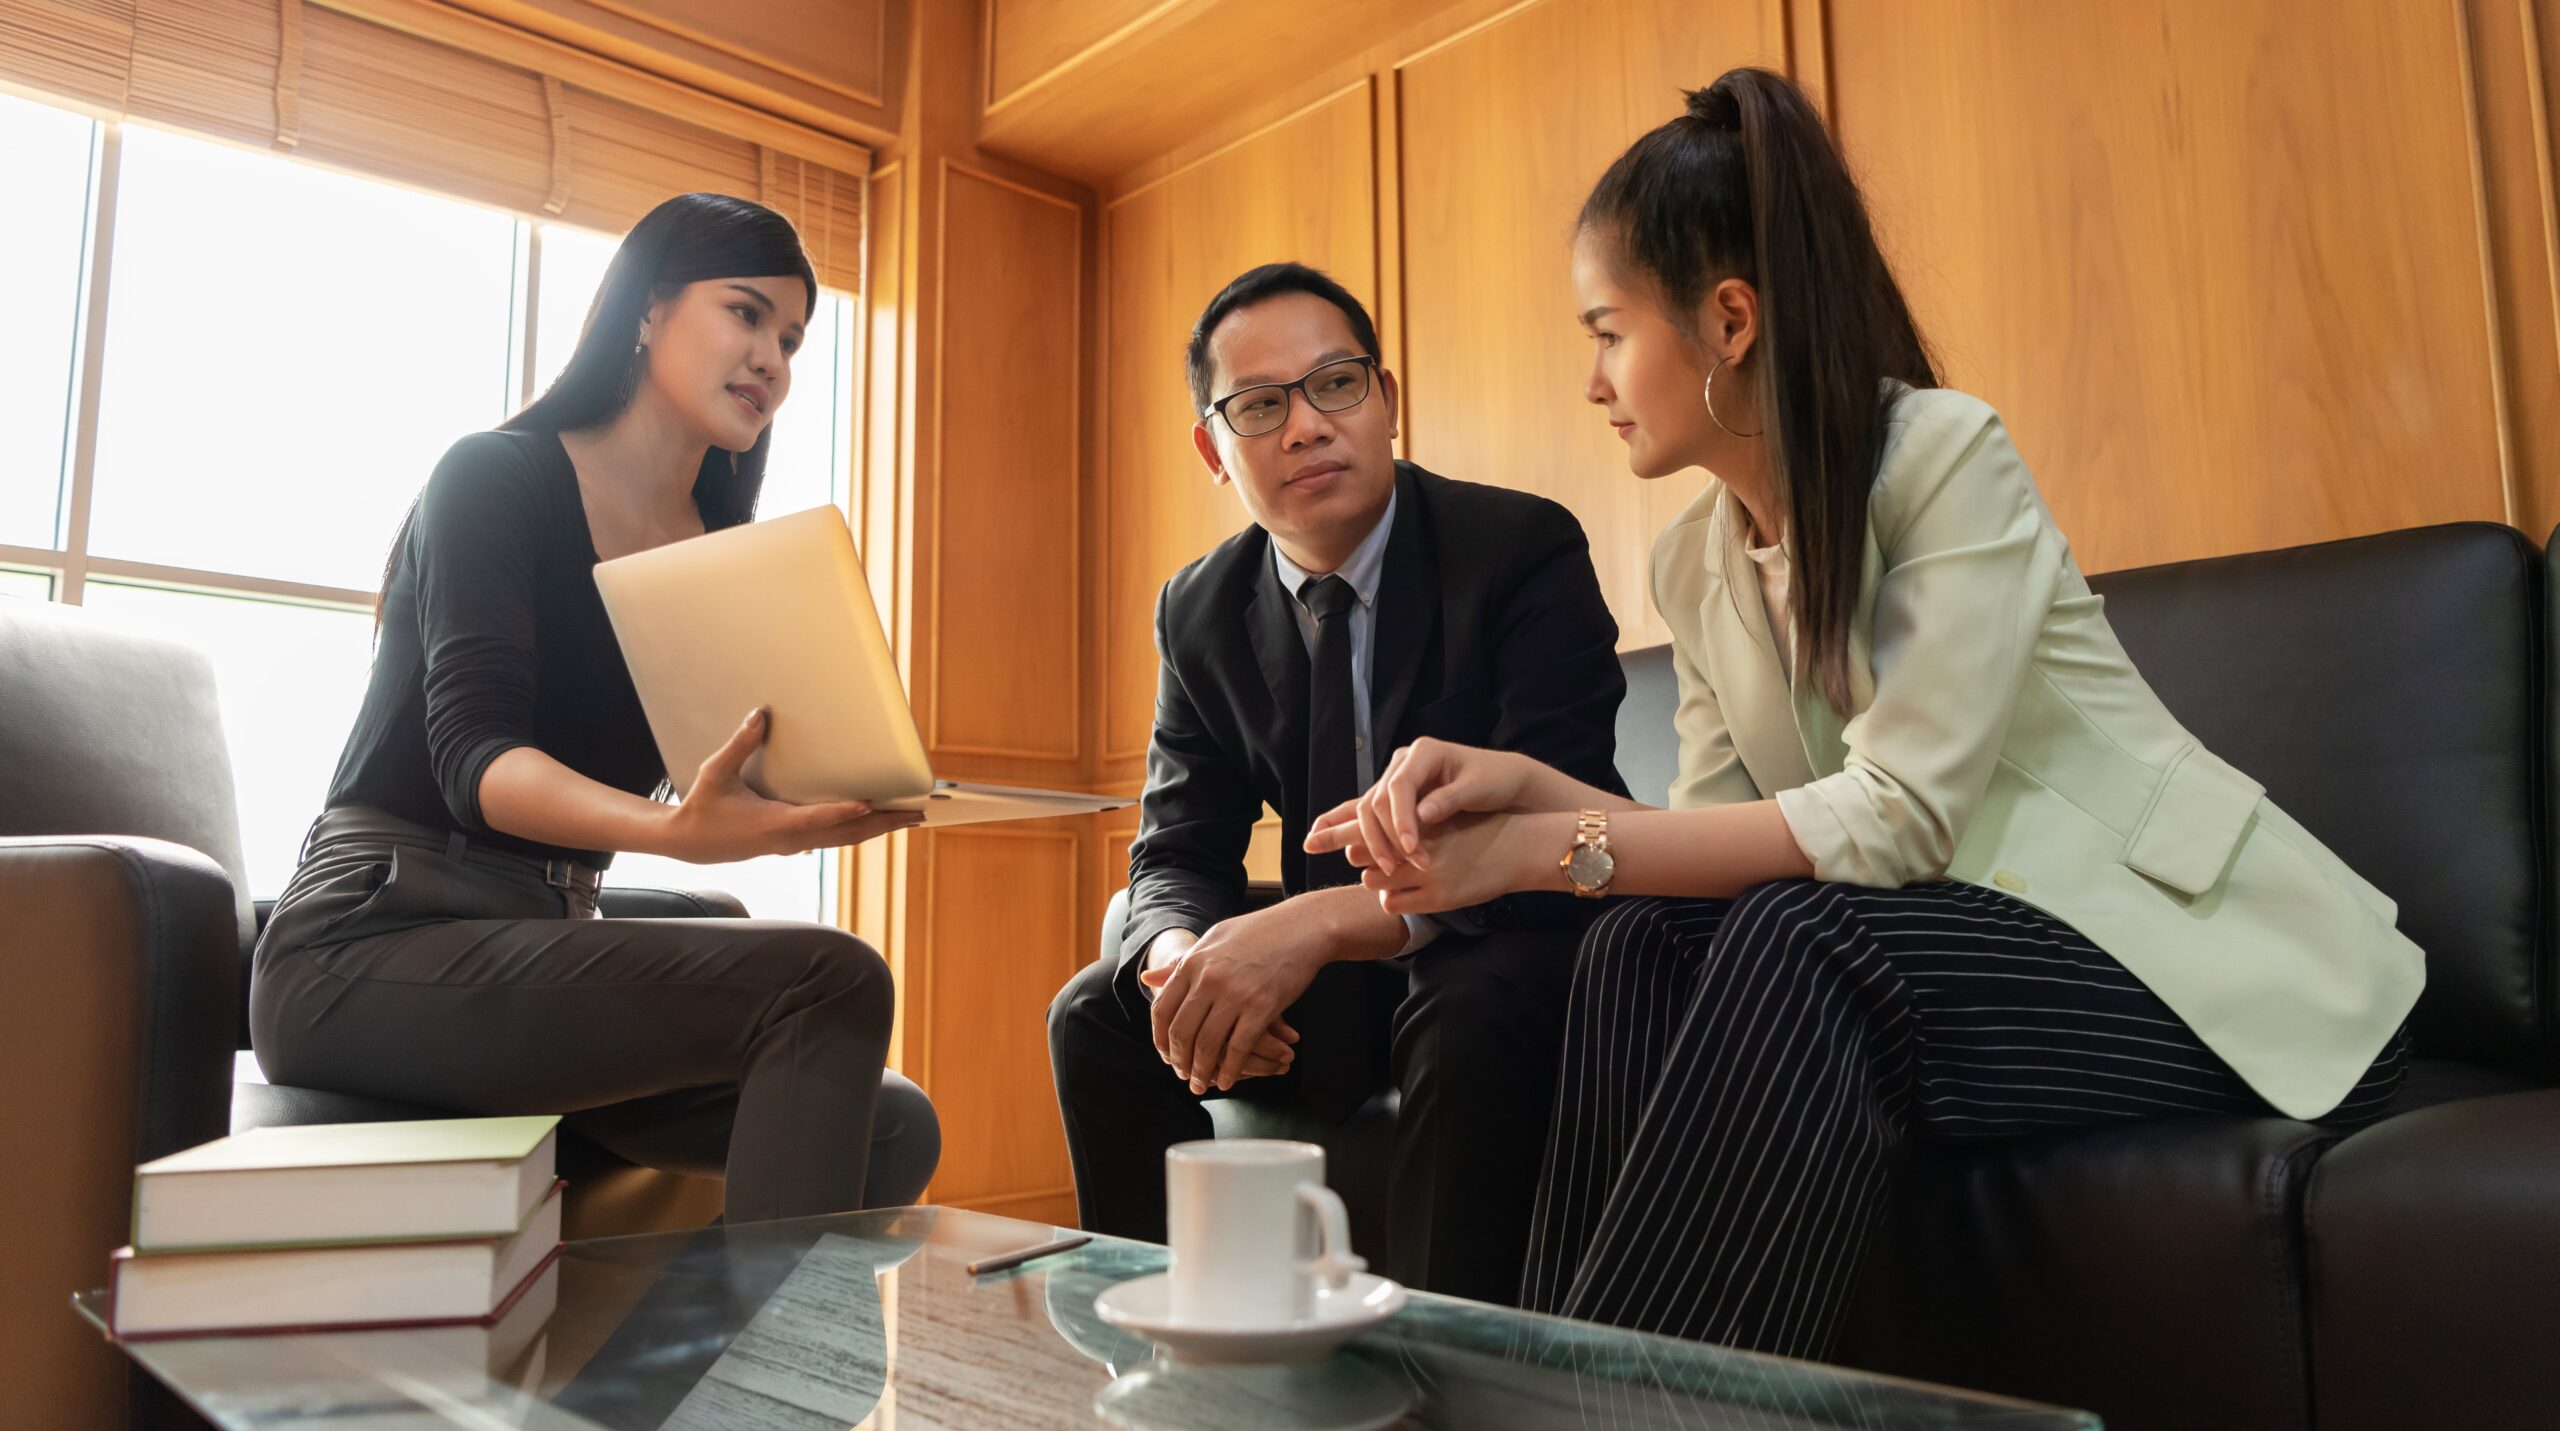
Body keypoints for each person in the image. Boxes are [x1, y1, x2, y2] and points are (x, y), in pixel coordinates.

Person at [1308, 69, 2421, 1356]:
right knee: (1638, 949)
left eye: (1607, 330)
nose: (1594, 379)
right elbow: (1710, 849)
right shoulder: (1694, 563)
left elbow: (1897, 818)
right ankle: (1567, 1388)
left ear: (1727, 319)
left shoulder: (1943, 457)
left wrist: (1532, 858)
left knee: (1805, 939)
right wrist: (1524, 789)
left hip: (2193, 965)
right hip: (1979, 971)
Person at [251, 193, 932, 1223]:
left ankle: (669, 1373)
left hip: (539, 928)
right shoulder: (495, 475)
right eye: (746, 314)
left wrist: (841, 776)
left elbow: (720, 769)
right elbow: (475, 766)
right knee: (832, 978)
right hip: (369, 940)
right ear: (650, 309)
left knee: (897, 1126)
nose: (773, 360)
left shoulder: (713, 554)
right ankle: (779, 1382)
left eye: (791, 339)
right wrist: (675, 831)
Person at [1047, 262, 1628, 1304]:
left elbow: (1570, 824)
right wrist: (1186, 963)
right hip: (1345, 964)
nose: (1306, 427)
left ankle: (1438, 1389)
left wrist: (1314, 928)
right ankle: (1182, 1344)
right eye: (1260, 406)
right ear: (1212, 450)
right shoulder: (1199, 609)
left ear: (1387, 400)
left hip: (1505, 932)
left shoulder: (1519, 548)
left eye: (1336, 385)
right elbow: (1177, 847)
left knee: (1469, 1007)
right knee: (1099, 1008)